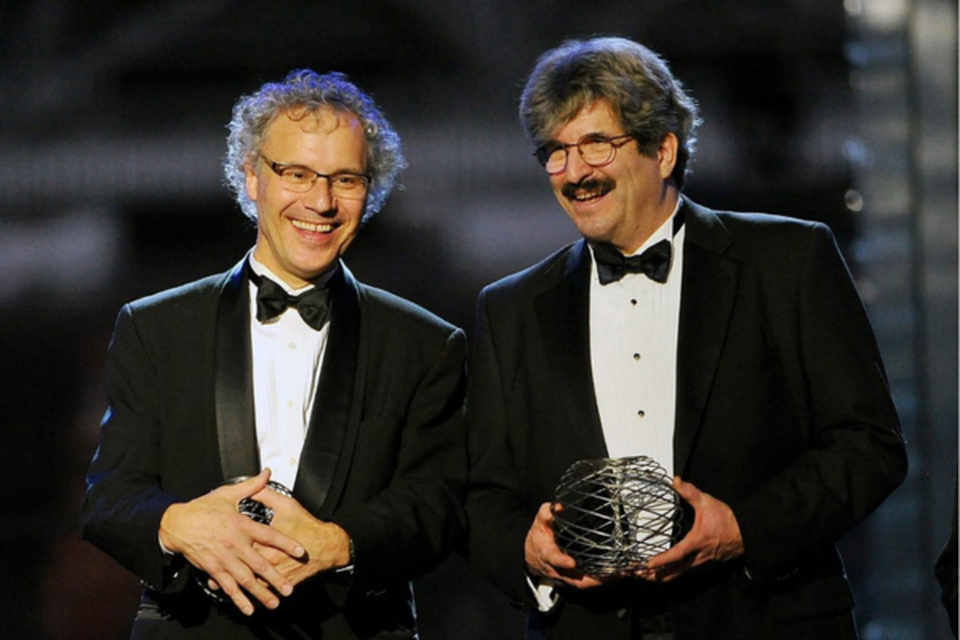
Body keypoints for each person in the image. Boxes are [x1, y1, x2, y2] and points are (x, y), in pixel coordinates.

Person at [464, 37, 908, 640]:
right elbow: (482, 494)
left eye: (595, 144)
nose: (573, 174)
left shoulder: (787, 261)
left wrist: (743, 529)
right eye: (555, 152)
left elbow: (868, 446)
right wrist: (527, 547)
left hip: (762, 618)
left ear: (664, 149)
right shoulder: (510, 308)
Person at [81, 69, 467, 639]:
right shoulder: (155, 327)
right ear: (252, 176)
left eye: (346, 179)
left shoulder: (426, 343)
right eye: (297, 174)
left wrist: (339, 545)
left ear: (372, 189)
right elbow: (109, 499)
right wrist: (176, 522)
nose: (321, 201)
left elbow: (440, 504)